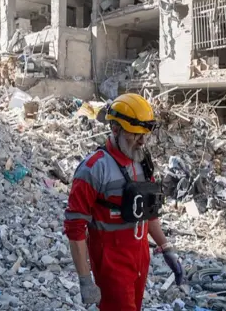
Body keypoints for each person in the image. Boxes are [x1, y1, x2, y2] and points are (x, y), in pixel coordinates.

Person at [63, 93, 183, 311]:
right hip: (111, 265)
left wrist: (166, 247)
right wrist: (85, 279)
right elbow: (75, 227)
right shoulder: (93, 169)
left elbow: (149, 212)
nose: (142, 141)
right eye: (135, 135)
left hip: (139, 258)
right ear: (115, 129)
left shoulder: (142, 162)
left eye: (144, 135)